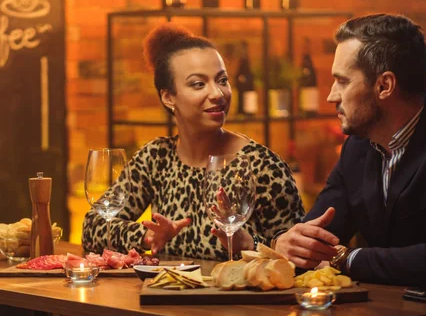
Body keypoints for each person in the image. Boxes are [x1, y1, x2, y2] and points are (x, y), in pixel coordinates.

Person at [82, 23, 304, 260]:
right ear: (168, 96)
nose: (217, 94)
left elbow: (299, 256)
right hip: (167, 294)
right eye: (198, 84)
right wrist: (146, 236)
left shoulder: (262, 165)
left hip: (239, 296)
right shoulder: (156, 158)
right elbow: (93, 227)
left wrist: (251, 244)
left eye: (222, 80)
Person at [273, 14, 426, 287]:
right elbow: (316, 238)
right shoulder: (357, 148)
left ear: (384, 86)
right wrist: (287, 243)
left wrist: (346, 259)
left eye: (342, 81)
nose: (331, 95)